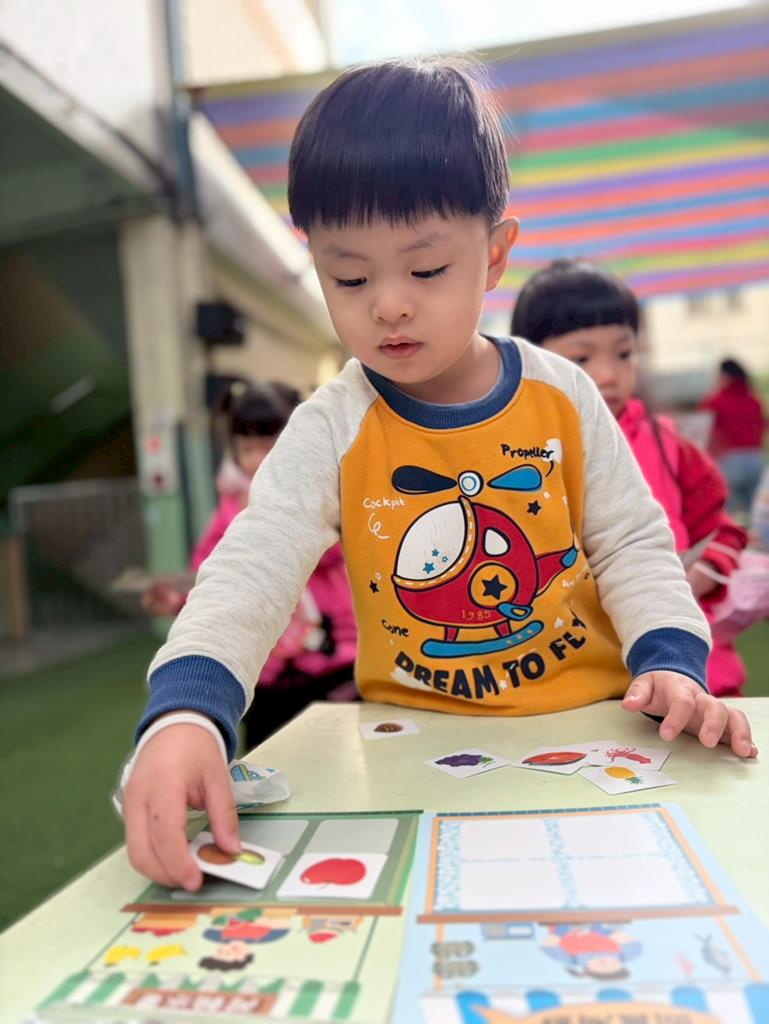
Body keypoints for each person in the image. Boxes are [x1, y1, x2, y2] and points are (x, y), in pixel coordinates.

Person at [123, 57, 756, 892]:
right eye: (349, 276)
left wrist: (670, 658)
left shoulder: (561, 395)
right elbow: (251, 566)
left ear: (494, 255)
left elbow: (633, 543)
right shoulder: (331, 426)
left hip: (596, 729)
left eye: (425, 270)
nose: (388, 303)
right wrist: (185, 710)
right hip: (415, 749)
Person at [511, 259, 748, 696]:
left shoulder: (670, 446)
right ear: (530, 364)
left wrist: (696, 579)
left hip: (683, 667)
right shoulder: (519, 459)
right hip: (573, 674)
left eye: (623, 354)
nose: (608, 374)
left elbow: (724, 532)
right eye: (581, 358)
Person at [143, 381, 357, 748]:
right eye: (246, 449)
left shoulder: (327, 492)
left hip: (334, 663)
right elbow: (215, 582)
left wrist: (279, 519)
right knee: (268, 762)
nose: (258, 460)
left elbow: (334, 553)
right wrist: (178, 600)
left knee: (347, 755)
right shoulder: (230, 508)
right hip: (265, 674)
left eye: (269, 447)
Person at [701, 357, 766, 516]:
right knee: (757, 513)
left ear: (725, 376)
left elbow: (707, 435)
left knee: (726, 514)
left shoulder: (714, 402)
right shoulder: (754, 400)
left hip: (729, 461)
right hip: (756, 459)